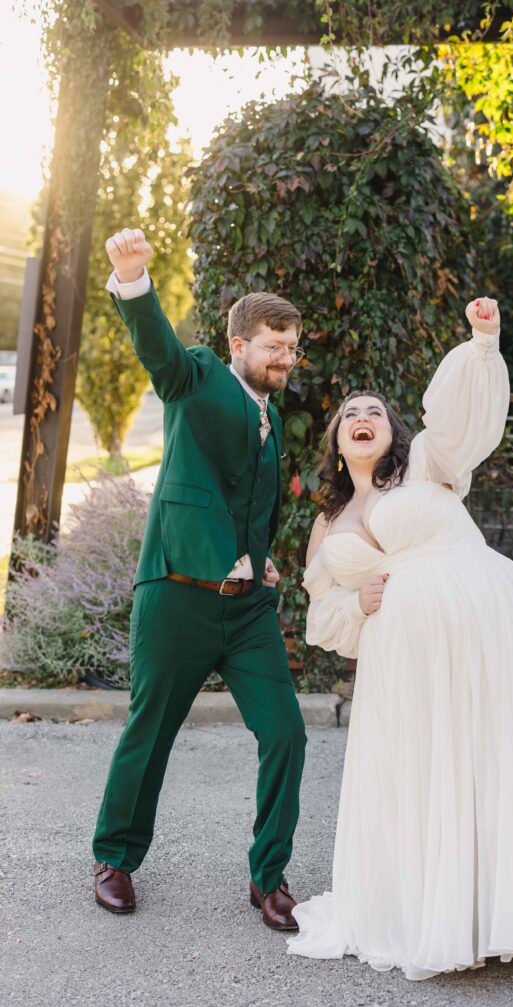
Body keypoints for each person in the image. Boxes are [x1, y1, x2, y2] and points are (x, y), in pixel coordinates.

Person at [287, 297, 513, 979]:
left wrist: (482, 345)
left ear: (394, 429)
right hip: (406, 659)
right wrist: (357, 597)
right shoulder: (329, 524)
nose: (362, 418)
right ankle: (444, 918)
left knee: (508, 763)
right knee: (432, 777)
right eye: (349, 413)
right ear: (334, 440)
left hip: (495, 620)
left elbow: (465, 423)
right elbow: (322, 615)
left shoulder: (429, 464)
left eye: (374, 410)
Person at [91, 227, 306, 931]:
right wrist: (133, 280)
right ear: (239, 344)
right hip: (176, 595)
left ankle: (267, 877)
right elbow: (157, 349)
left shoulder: (274, 418)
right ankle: (115, 860)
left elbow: (242, 500)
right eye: (273, 345)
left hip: (246, 610)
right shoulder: (200, 375)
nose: (286, 357)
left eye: (292, 347)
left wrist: (255, 556)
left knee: (286, 735)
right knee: (149, 732)